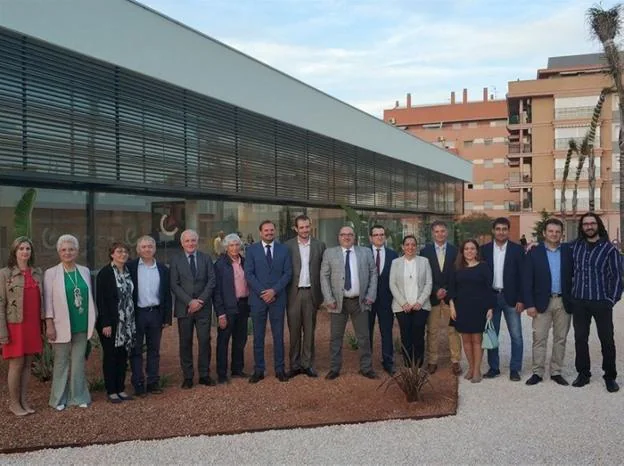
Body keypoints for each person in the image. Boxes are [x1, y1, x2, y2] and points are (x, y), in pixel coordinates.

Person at [570, 213, 622, 393]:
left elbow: (617, 277)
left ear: (598, 225)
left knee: (607, 340)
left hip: (601, 302)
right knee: (580, 338)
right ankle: (583, 374)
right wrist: (533, 247)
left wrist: (610, 300)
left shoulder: (609, 250)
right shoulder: (575, 246)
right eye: (586, 224)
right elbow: (557, 251)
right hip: (580, 301)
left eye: (592, 223)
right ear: (582, 227)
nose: (589, 226)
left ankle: (610, 376)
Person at [44, 234, 96, 410]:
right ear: (59, 252)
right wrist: (49, 323)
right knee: (61, 363)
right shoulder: (51, 273)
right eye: (64, 250)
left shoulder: (84, 271)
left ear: (77, 251)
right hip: (60, 326)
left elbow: (89, 297)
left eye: (71, 249)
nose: (68, 252)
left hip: (81, 323)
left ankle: (78, 396)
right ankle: (58, 399)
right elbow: (48, 302)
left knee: (78, 362)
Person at [320, 225, 378, 380]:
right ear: (338, 237)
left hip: (360, 301)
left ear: (355, 237)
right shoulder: (330, 253)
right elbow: (324, 276)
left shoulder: (365, 252)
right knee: (335, 337)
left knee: (364, 337)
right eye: (343, 234)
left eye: (350, 235)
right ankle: (334, 368)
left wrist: (371, 295)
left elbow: (373, 273)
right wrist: (329, 299)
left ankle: (366, 368)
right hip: (337, 303)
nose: (346, 237)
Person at [523, 218, 573, 386]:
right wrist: (529, 304)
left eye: (557, 232)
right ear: (544, 233)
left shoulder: (568, 251)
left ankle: (556, 371)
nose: (554, 234)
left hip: (563, 302)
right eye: (550, 231)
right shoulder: (534, 252)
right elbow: (527, 280)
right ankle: (537, 372)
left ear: (562, 234)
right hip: (541, 302)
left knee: (560, 338)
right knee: (539, 338)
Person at [0, 237, 44, 416]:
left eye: (28, 248)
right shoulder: (5, 274)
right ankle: (14, 403)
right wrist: (2, 331)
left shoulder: (37, 273)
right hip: (14, 325)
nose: (25, 252)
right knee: (16, 364)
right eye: (21, 249)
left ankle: (24, 400)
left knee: (27, 364)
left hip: (32, 325)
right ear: (15, 252)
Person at [244, 220, 292, 383]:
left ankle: (280, 369)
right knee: (258, 336)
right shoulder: (251, 250)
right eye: (266, 230)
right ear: (260, 232)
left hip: (277, 298)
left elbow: (288, 273)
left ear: (275, 231)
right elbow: (249, 274)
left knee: (278, 335)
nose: (269, 232)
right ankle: (259, 370)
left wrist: (274, 291)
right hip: (258, 299)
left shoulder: (284, 249)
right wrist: (263, 292)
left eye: (272, 230)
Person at [169, 229, 216, 389]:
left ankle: (204, 374)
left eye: (193, 240)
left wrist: (200, 301)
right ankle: (188, 376)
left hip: (203, 308)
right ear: (182, 243)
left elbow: (211, 281)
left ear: (197, 242)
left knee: (204, 341)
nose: (190, 243)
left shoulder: (206, 258)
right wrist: (190, 301)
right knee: (185, 342)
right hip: (185, 308)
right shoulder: (175, 260)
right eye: (187, 241)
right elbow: (174, 284)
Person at [481, 217, 525, 381]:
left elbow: (523, 276)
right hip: (491, 298)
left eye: (504, 229)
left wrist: (522, 299)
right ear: (493, 230)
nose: (501, 232)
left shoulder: (517, 250)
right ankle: (494, 368)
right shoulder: (484, 250)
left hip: (512, 298)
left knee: (516, 335)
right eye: (498, 229)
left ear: (508, 231)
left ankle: (515, 369)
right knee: (492, 334)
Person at [127, 235, 172, 396]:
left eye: (150, 246)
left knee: (154, 350)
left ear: (154, 249)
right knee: (136, 350)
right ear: (138, 249)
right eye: (144, 247)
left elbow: (167, 294)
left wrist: (167, 317)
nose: (147, 249)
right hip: (137, 314)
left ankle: (153, 382)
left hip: (156, 313)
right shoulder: (130, 267)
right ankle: (138, 383)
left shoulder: (162, 269)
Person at [285, 215, 326, 378]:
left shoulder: (319, 245)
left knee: (309, 331)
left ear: (311, 226)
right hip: (293, 294)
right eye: (301, 227)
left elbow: (324, 271)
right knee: (294, 332)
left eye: (307, 227)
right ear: (296, 229)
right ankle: (294, 365)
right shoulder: (287, 246)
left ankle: (307, 364)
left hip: (311, 293)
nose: (305, 230)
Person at [449, 239, 495, 383]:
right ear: (462, 251)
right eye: (466, 249)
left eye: (472, 248)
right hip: (461, 307)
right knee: (466, 340)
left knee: (477, 340)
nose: (469, 251)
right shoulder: (456, 267)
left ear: (476, 251)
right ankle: (470, 367)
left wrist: (490, 308)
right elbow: (452, 289)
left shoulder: (484, 267)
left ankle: (476, 370)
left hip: (479, 308)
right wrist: (451, 306)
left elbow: (489, 289)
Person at [96, 242, 136, 403]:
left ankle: (120, 388)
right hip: (111, 323)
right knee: (111, 356)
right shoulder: (105, 273)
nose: (123, 254)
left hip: (127, 322)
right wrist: (105, 323)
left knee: (122, 355)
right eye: (119, 251)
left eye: (125, 251)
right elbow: (101, 300)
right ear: (112, 254)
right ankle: (111, 390)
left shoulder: (128, 272)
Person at [421, 221, 462, 375]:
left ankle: (456, 361)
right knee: (432, 331)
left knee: (453, 331)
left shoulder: (455, 251)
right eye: (437, 231)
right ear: (432, 233)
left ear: (447, 232)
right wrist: (435, 290)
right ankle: (432, 361)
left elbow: (457, 274)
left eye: (442, 231)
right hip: (432, 298)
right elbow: (424, 275)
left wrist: (448, 292)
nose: (440, 234)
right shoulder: (425, 252)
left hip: (451, 299)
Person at [388, 235, 432, 367]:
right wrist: (403, 303)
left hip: (421, 306)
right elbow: (392, 284)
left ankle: (418, 367)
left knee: (418, 337)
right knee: (405, 337)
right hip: (402, 307)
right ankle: (408, 367)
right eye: (407, 244)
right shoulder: (396, 262)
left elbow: (428, 283)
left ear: (416, 247)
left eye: (413, 244)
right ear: (402, 247)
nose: (410, 247)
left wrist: (420, 302)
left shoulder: (424, 261)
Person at [213, 233, 250, 384]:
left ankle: (237, 369)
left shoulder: (246, 262)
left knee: (240, 339)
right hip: (227, 307)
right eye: (231, 245)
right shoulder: (220, 265)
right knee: (223, 341)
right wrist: (220, 313)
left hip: (243, 305)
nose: (234, 248)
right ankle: (222, 373)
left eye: (236, 244)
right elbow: (217, 291)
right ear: (226, 247)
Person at [368, 225, 399, 375]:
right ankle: (366, 363)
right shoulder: (363, 253)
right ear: (370, 238)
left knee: (386, 331)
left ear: (385, 237)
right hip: (367, 300)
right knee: (366, 332)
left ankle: (388, 362)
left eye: (381, 234)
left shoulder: (393, 255)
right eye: (376, 235)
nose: (379, 237)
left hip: (386, 300)